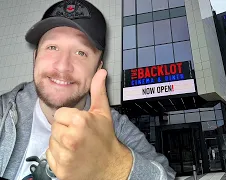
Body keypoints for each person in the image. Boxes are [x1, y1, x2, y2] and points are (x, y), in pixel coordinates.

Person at [0, 0, 176, 180]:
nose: (62, 66)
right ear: (36, 56)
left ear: (98, 69)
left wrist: (115, 166)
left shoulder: (117, 128)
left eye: (80, 53)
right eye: (52, 47)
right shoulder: (3, 110)